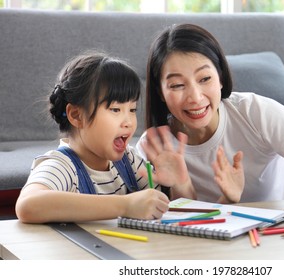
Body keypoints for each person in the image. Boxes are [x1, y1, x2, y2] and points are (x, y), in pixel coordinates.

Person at [137, 23, 284, 235]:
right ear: (160, 92)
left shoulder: (255, 111)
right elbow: (183, 226)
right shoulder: (156, 146)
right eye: (177, 85)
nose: (195, 97)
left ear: (221, 79)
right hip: (217, 242)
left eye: (205, 78)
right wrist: (182, 185)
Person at [15, 51, 193, 224]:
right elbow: (28, 205)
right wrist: (125, 205)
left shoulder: (129, 162)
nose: (129, 122)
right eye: (115, 110)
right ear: (76, 115)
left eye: (132, 110)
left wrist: (180, 185)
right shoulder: (62, 166)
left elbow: (171, 215)